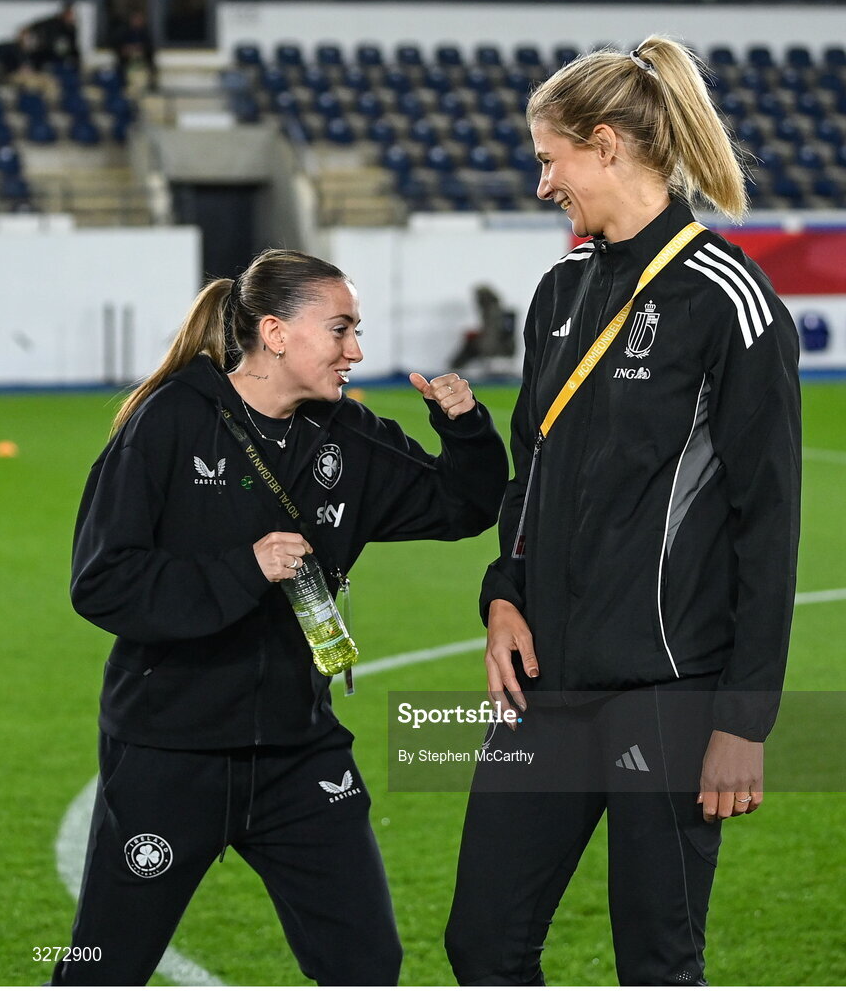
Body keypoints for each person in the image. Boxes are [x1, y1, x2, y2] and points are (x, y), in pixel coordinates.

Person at [445, 35, 801, 986]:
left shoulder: (728, 298)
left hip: (671, 696)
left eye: (548, 159)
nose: (542, 185)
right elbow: (532, 474)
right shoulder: (558, 291)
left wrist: (744, 720)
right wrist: (503, 596)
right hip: (547, 689)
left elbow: (769, 523)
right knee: (483, 943)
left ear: (606, 145)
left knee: (655, 961)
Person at [51, 248, 508, 986]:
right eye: (340, 329)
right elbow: (102, 581)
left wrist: (465, 430)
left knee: (366, 964)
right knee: (105, 966)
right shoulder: (170, 420)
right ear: (274, 332)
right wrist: (244, 567)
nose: (357, 350)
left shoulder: (349, 434)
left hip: (301, 754)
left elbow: (462, 507)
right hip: (172, 752)